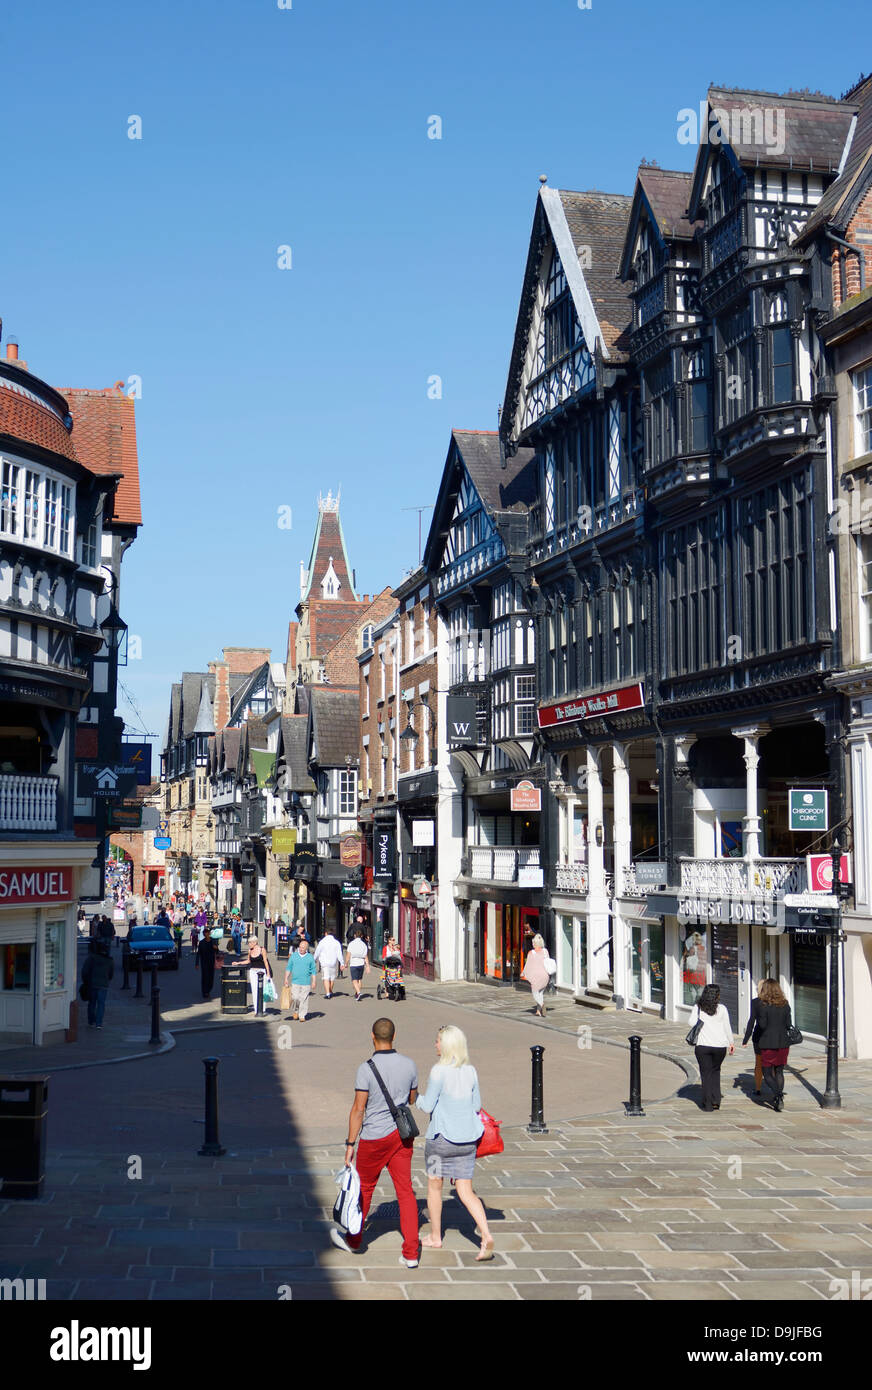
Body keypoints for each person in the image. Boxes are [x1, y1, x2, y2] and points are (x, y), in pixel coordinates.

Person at [331, 1017, 419, 1268]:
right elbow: (411, 1100)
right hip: (402, 1136)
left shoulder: (366, 1068)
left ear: (372, 1036)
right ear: (394, 1035)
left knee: (365, 1188)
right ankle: (411, 1253)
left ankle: (354, 1240)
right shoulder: (409, 1064)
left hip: (374, 1137)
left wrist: (350, 1144)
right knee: (405, 1192)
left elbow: (358, 1109)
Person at [416, 1025, 494, 1261]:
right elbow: (476, 1106)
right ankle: (486, 1234)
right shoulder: (470, 1071)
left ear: (448, 1045)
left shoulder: (438, 1071)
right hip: (467, 1141)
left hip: (441, 1141)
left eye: (438, 1040)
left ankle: (435, 1237)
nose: (435, 1044)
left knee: (434, 1186)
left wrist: (414, 1098)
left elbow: (427, 1105)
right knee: (466, 1191)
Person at [688, 983, 734, 1112]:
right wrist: (731, 1043)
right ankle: (716, 1101)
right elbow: (727, 1027)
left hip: (703, 1046)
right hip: (719, 1046)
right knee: (716, 1071)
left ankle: (707, 1104)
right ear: (717, 996)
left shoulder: (698, 1007)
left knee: (706, 1073)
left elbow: (691, 1022)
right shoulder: (722, 1009)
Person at [755, 979, 794, 1112]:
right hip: (783, 1042)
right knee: (779, 1071)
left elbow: (763, 1025)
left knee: (767, 1072)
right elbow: (789, 1024)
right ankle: (778, 1097)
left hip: (768, 1042)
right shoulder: (785, 1004)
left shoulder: (763, 1005)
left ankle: (778, 1095)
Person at [81, 940, 115, 1029]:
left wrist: (86, 981)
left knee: (92, 1003)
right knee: (101, 1004)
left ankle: (91, 1021)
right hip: (103, 984)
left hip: (92, 983)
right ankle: (99, 1023)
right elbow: (111, 974)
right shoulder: (109, 960)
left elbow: (84, 971)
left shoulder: (91, 958)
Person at [741, 982, 767, 1095]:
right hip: (772, 1037)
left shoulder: (756, 1002)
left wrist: (746, 1039)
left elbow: (752, 1021)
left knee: (759, 1063)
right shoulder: (775, 1002)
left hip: (759, 1036)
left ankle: (758, 1088)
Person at [286, 938, 318, 1021]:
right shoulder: (294, 956)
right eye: (300, 947)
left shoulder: (310, 957)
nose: (301, 949)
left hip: (306, 982)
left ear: (306, 948)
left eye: (303, 947)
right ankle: (296, 1011)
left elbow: (313, 971)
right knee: (295, 998)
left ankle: (302, 1015)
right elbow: (289, 968)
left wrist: (314, 981)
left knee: (304, 999)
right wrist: (286, 979)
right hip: (295, 981)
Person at [520, 933, 551, 1018]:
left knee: (535, 993)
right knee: (540, 993)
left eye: (533, 943)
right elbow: (548, 962)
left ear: (536, 943)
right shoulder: (545, 951)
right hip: (545, 975)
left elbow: (528, 965)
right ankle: (538, 1011)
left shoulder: (531, 953)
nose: (532, 944)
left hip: (536, 977)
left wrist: (523, 973)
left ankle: (542, 1004)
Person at [241, 935, 273, 1015]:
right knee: (254, 991)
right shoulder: (250, 950)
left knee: (262, 991)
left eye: (250, 942)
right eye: (248, 943)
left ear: (255, 942)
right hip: (252, 972)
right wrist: (238, 963)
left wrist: (268, 973)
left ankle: (262, 1008)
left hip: (261, 972)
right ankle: (256, 1009)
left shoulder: (262, 949)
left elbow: (265, 961)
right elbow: (248, 961)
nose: (249, 944)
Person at [314, 927, 344, 1000]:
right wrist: (342, 963)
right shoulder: (336, 942)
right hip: (333, 962)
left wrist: (314, 959)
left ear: (325, 933)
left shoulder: (322, 942)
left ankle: (328, 993)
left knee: (326, 978)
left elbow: (317, 951)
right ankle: (330, 991)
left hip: (324, 962)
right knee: (332, 978)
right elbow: (339, 954)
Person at [345, 928, 370, 1002]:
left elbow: (348, 955)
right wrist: (367, 966)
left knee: (354, 980)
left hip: (354, 963)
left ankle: (358, 992)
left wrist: (346, 963)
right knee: (359, 979)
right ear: (361, 936)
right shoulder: (363, 945)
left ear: (355, 935)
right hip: (361, 963)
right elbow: (365, 956)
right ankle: (357, 993)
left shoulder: (351, 944)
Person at [195, 929, 218, 1000]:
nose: (206, 935)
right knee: (205, 977)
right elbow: (198, 954)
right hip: (204, 962)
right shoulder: (201, 943)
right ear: (204, 934)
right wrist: (197, 964)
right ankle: (205, 992)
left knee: (211, 977)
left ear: (209, 933)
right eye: (205, 933)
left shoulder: (213, 941)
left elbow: (217, 952)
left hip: (211, 962)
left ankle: (209, 989)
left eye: (207, 933)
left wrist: (216, 948)